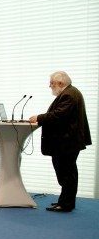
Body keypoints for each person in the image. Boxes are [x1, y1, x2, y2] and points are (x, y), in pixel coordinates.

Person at [29, 71, 91, 212]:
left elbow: (59, 116)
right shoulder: (71, 92)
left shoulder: (69, 94)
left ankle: (66, 204)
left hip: (66, 142)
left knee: (66, 174)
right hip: (68, 141)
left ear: (60, 83)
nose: (49, 86)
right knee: (68, 173)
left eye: (51, 83)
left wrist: (39, 117)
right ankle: (65, 201)